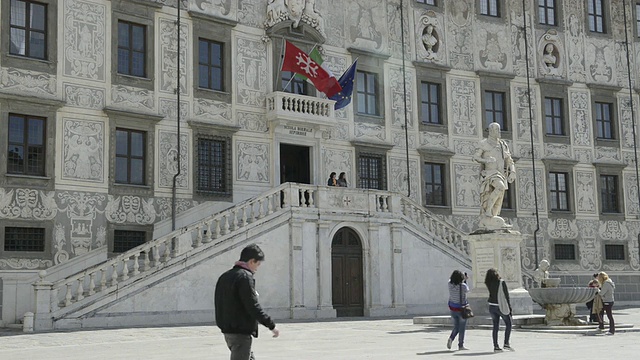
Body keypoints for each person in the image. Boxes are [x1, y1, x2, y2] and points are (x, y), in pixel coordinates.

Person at [215, 244, 280, 360]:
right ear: (251, 261)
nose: (257, 268)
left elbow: (219, 302)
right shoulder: (245, 277)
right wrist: (271, 325)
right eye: (258, 264)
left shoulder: (225, 276)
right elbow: (252, 306)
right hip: (240, 332)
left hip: (228, 330)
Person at [473, 122, 516, 230]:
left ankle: (493, 218)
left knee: (500, 196)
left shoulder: (502, 144)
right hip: (490, 173)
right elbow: (475, 157)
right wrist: (486, 160)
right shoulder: (484, 143)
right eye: (497, 130)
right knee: (500, 187)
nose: (499, 132)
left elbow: (509, 160)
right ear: (491, 131)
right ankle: (488, 210)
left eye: (499, 129)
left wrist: (513, 172)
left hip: (501, 173)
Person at [485, 268, 514, 352]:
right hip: (500, 306)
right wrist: (510, 308)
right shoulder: (501, 282)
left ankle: (496, 346)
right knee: (508, 323)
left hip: (491, 306)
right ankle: (506, 343)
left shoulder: (488, 283)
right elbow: (506, 296)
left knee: (495, 326)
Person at [446, 270, 469, 351]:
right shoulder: (463, 286)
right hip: (461, 309)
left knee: (456, 326)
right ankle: (460, 345)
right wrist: (465, 280)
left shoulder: (449, 284)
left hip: (452, 308)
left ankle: (451, 338)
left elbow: (450, 279)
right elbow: (467, 291)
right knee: (462, 328)